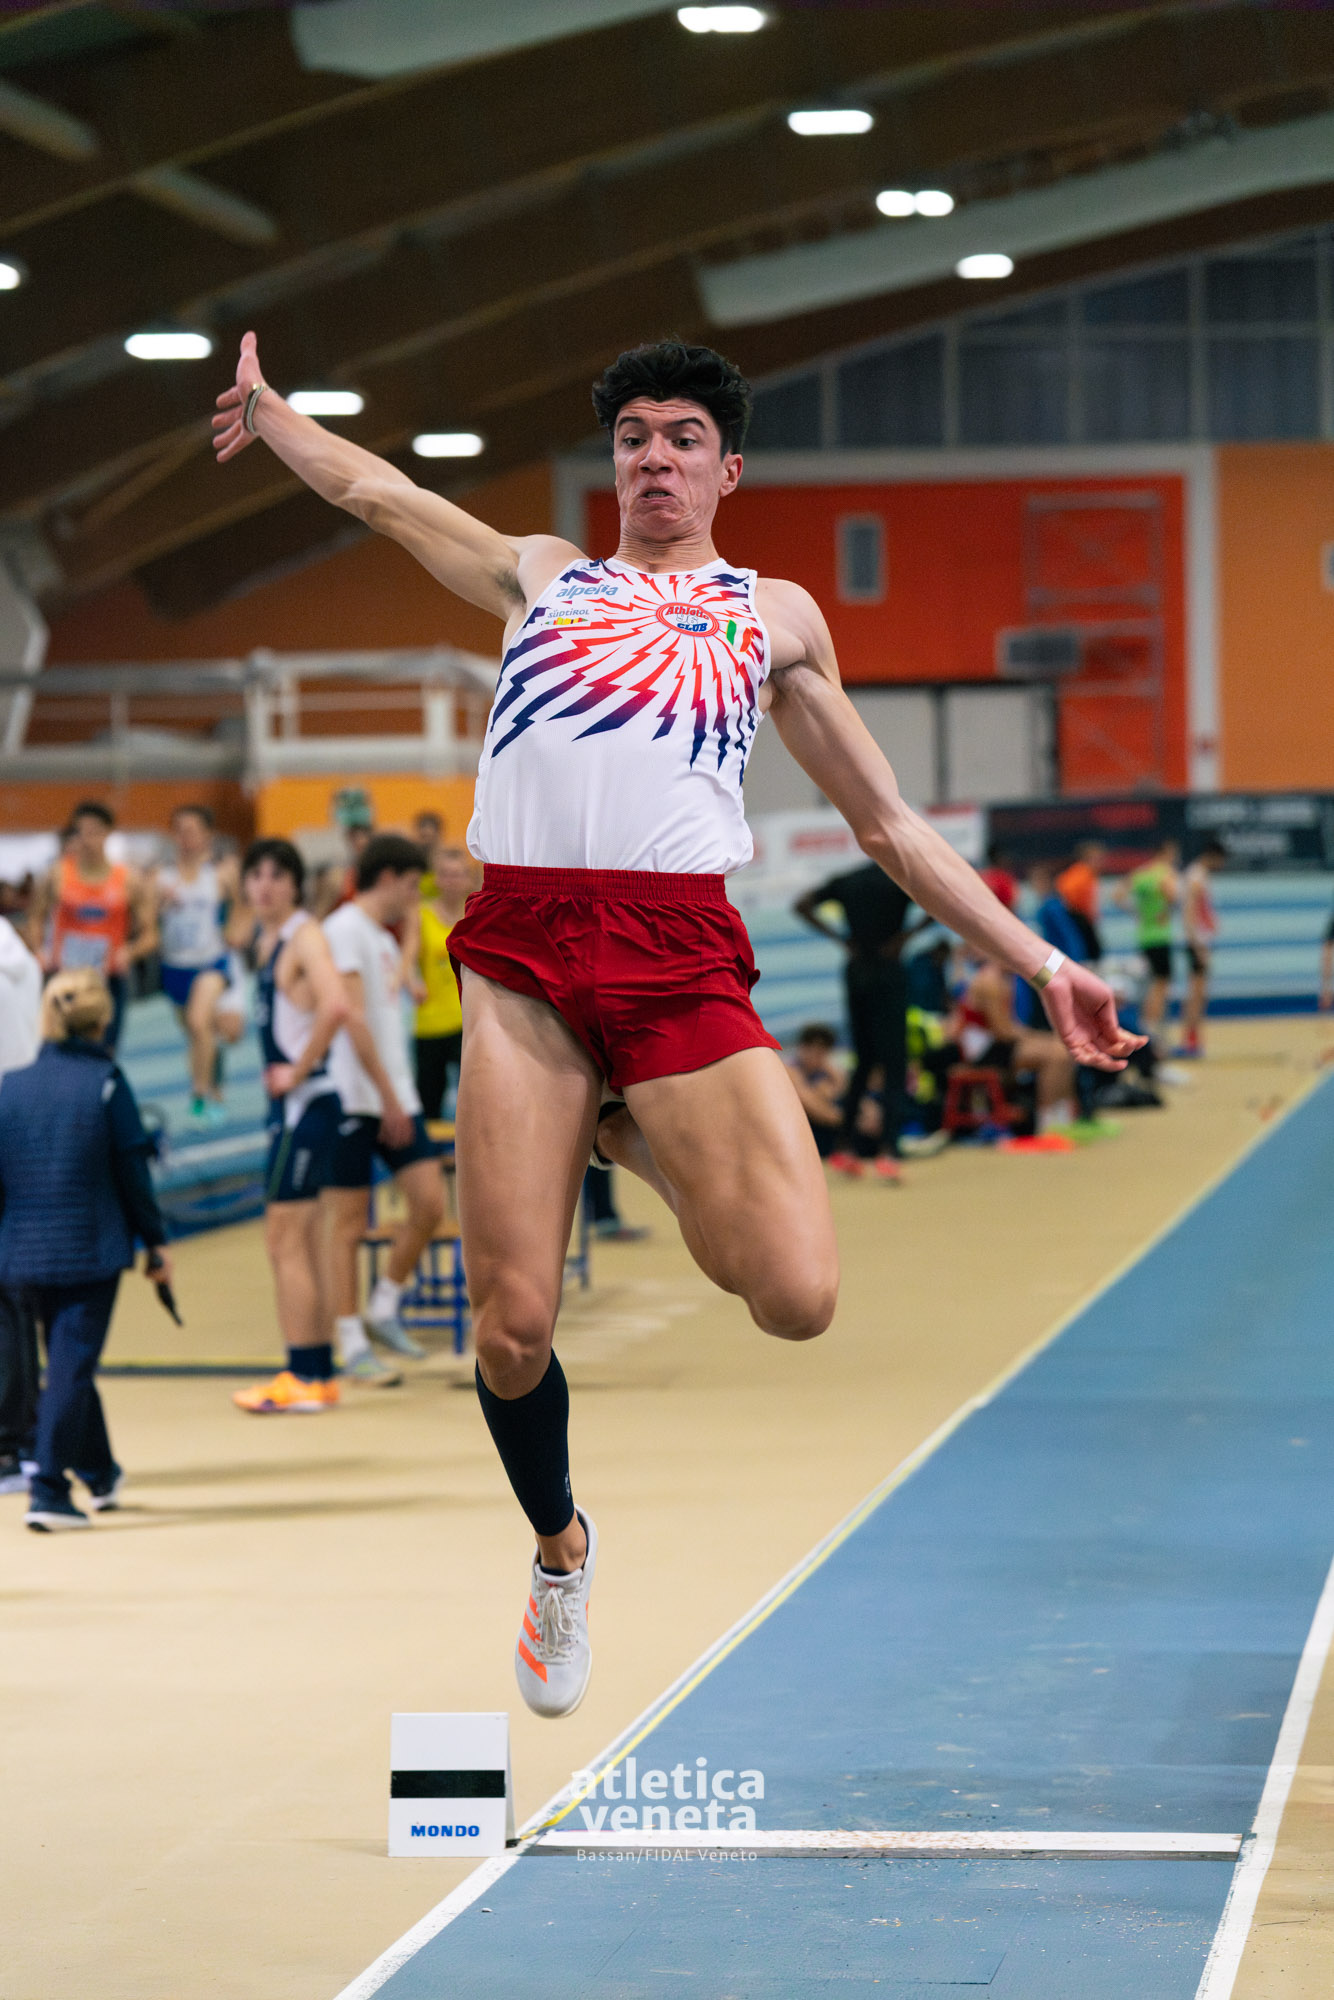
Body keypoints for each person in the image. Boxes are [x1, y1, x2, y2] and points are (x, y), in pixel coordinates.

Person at [213, 330, 1139, 1720]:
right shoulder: (543, 576)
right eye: (633, 435)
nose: (654, 456)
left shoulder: (772, 617)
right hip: (524, 954)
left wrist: (1040, 962)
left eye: (682, 438)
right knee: (510, 1329)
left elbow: (887, 825)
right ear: (615, 463)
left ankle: (609, 1126)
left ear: (726, 470)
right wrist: (274, 414)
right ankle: (559, 1551)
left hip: (677, 953)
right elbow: (380, 495)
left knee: (795, 1297)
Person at [0, 969, 170, 1530]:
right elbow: (132, 1173)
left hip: (24, 1252)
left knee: (69, 1359)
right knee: (70, 1366)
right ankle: (48, 1490)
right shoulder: (107, 1083)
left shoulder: (11, 1086)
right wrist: (156, 1243)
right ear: (103, 1022)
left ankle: (99, 1473)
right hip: (90, 1248)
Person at [232, 840, 351, 1415]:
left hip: (305, 1105)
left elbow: (336, 1005)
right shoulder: (268, 941)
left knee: (284, 1239)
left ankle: (302, 1371)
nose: (264, 885)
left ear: (295, 885)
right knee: (302, 1238)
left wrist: (298, 1070)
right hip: (300, 1108)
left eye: (277, 875)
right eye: (255, 874)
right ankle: (318, 1372)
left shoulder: (303, 936)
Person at [322, 834, 447, 1380]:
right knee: (348, 1224)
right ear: (389, 877)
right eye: (412, 885)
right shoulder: (344, 929)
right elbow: (352, 1019)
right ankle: (351, 1340)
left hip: (395, 1093)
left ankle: (384, 1306)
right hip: (355, 1097)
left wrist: (398, 1095)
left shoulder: (383, 939)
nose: (415, 897)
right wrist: (388, 1097)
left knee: (430, 1202)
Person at [794, 863, 926, 1183]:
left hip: (858, 971)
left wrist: (842, 939)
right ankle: (889, 1151)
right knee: (894, 1062)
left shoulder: (848, 880)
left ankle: (845, 1147)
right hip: (889, 969)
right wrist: (906, 936)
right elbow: (940, 901)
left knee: (864, 1061)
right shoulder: (899, 878)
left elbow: (802, 905)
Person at [27, 802, 157, 1052]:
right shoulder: (56, 875)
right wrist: (39, 950)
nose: (87, 840)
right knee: (57, 1048)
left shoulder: (128, 880)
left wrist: (130, 952)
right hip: (64, 977)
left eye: (94, 832)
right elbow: (35, 917)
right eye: (81, 832)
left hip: (107, 979)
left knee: (104, 1052)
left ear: (108, 833)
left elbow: (150, 934)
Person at [153, 804, 242, 1127]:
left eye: (191, 831)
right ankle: (215, 1086)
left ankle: (199, 1097)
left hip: (211, 961)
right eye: (179, 831)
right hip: (175, 965)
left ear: (207, 835)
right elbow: (146, 921)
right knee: (197, 1035)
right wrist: (158, 906)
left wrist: (235, 929)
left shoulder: (220, 873)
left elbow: (244, 905)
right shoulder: (161, 877)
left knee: (198, 1022)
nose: (185, 838)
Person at [0, 920, 42, 1496]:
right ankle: (25, 1435)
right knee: (18, 1296)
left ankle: (11, 1442)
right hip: (25, 1129)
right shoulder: (20, 956)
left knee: (7, 1298)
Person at [950, 956, 1077, 1133]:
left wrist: (1043, 1038)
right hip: (983, 1052)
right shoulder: (989, 982)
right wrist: (1039, 1038)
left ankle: (1063, 1118)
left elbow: (1010, 1028)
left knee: (1062, 1049)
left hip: (995, 1044)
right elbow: (1003, 1031)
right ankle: (1049, 1124)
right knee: (1056, 1054)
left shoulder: (1004, 979)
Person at [414, 844, 469, 1120]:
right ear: (436, 879)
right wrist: (412, 982)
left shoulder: (474, 915)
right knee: (430, 1101)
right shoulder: (421, 915)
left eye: (457, 874)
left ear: (468, 879)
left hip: (467, 1020)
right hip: (431, 1022)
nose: (451, 881)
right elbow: (406, 958)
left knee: (473, 1098)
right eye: (446, 874)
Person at [1121, 839, 1181, 1042]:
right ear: (1165, 853)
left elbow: (1117, 896)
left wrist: (1137, 912)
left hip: (1144, 936)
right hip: (1160, 936)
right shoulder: (1164, 874)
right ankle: (1151, 1030)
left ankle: (1147, 1026)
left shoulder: (1141, 874)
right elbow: (1173, 897)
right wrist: (1164, 912)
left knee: (1149, 985)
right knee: (1161, 985)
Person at [1178, 839, 1227, 1057]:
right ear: (1213, 856)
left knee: (1199, 992)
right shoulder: (1196, 875)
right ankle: (1190, 1041)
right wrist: (1196, 943)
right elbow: (1190, 910)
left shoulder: (1199, 875)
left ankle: (1193, 1039)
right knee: (1196, 993)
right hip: (1197, 941)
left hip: (1200, 940)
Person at [784, 1023, 846, 1158]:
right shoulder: (791, 1069)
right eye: (814, 1049)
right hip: (800, 1130)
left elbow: (843, 1090)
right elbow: (808, 1104)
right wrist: (845, 1120)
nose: (817, 1056)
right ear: (803, 1047)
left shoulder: (826, 1070)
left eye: (823, 1052)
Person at [1055, 841, 1106, 963]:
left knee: (1091, 950)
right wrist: (1085, 911)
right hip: (1077, 916)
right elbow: (1067, 893)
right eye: (1098, 858)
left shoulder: (1086, 873)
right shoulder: (1081, 873)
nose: (1101, 862)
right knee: (1088, 951)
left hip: (1080, 915)